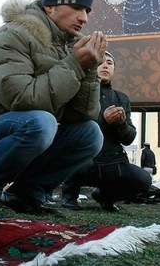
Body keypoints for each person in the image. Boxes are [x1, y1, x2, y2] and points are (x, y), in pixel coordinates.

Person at [0, 0, 105, 214]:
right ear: (50, 6)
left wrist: (87, 70)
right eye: (77, 7)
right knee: (40, 122)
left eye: (87, 10)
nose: (84, 18)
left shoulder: (67, 47)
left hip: (24, 139)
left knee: (90, 134)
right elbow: (23, 100)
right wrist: (74, 65)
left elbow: (81, 117)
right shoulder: (13, 34)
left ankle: (25, 195)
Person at [61, 52, 152, 212]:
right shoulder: (79, 91)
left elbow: (129, 139)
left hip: (114, 161)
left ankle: (106, 197)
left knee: (144, 180)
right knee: (74, 160)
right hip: (87, 159)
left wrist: (121, 124)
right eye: (100, 62)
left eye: (109, 63)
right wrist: (104, 120)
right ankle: (70, 197)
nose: (105, 65)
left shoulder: (122, 98)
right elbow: (72, 125)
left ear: (114, 69)